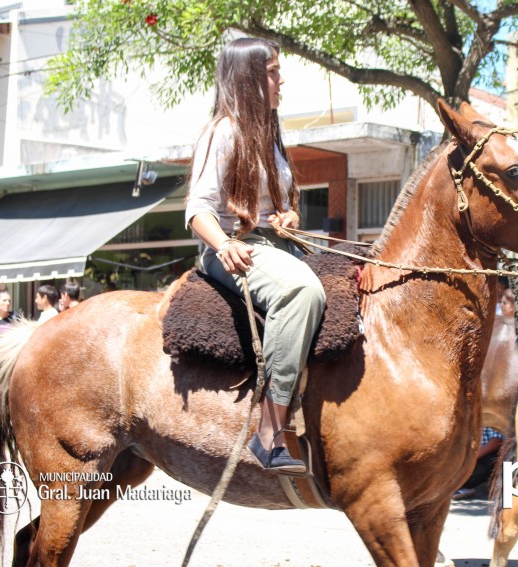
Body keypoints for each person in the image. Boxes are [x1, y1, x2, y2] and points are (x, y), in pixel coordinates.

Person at [186, 38, 326, 474]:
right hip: (233, 247)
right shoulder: (222, 131)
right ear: (248, 79)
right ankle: (269, 431)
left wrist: (288, 215)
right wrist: (224, 245)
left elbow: (282, 204)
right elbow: (197, 209)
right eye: (272, 72)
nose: (281, 79)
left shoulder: (270, 134)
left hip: (274, 242)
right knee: (302, 292)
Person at [451, 428, 504, 500]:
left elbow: (497, 441)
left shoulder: (490, 421)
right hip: (462, 457)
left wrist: (473, 457)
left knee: (491, 460)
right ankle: (456, 488)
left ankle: (465, 487)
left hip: (482, 456)